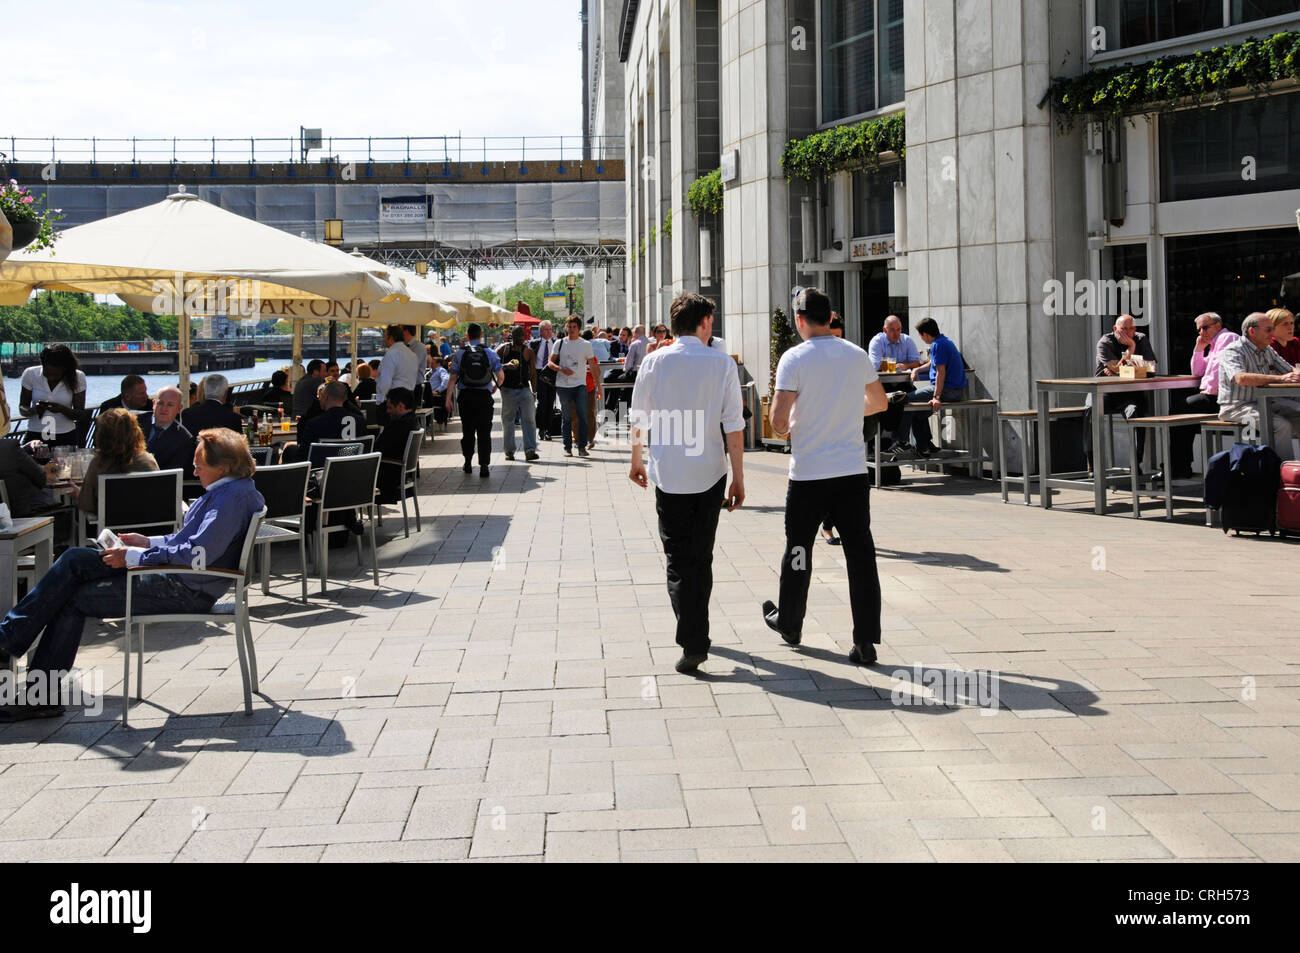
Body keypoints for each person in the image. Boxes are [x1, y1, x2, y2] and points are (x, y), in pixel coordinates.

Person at [0, 428, 265, 721]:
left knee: (72, 589)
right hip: (180, 581)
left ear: (223, 467)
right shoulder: (232, 491)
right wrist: (147, 542)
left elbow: (197, 555)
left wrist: (134, 557)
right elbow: (191, 546)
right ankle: (25, 669)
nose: (194, 469)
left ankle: (19, 659)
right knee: (74, 563)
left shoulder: (230, 499)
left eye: (199, 464)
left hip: (183, 589)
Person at [760, 288, 888, 667]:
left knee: (799, 548)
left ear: (800, 320)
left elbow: (779, 422)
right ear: (831, 317)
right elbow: (879, 403)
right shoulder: (855, 353)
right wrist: (848, 410)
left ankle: (791, 623)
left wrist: (798, 419)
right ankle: (866, 640)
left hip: (809, 474)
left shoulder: (794, 358)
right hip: (850, 472)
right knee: (860, 555)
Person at [629, 293, 746, 674]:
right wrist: (739, 477)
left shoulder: (653, 361)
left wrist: (635, 460)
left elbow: (638, 417)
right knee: (702, 556)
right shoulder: (722, 364)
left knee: (678, 560)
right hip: (711, 471)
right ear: (705, 323)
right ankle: (697, 634)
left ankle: (693, 638)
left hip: (670, 472)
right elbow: (734, 423)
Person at [1218, 311, 1300, 459]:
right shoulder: (1234, 350)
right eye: (1269, 329)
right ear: (1252, 331)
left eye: (1273, 329)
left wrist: (1294, 374)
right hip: (1237, 407)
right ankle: (1282, 475)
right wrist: (1280, 379)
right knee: (1282, 425)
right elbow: (1241, 378)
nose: (1273, 333)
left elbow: (1290, 371)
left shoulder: (1267, 349)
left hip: (1266, 402)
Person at [1082, 313, 1157, 475]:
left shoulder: (1141, 338)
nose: (1128, 333)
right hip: (1105, 391)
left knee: (1138, 413)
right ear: (1115, 329)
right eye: (1124, 329)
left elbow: (1151, 368)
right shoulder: (1105, 342)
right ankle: (1092, 459)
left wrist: (1122, 367)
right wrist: (1131, 351)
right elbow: (1113, 368)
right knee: (1090, 409)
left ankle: (1135, 462)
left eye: (1131, 329)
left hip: (1130, 392)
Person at [1169, 312, 1239, 478]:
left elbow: (1217, 372)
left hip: (1222, 398)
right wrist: (1199, 348)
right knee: (1182, 414)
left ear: (1218, 325)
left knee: (1179, 410)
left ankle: (1177, 467)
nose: (1201, 332)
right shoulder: (1214, 344)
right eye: (1199, 329)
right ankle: (1180, 467)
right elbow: (1198, 371)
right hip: (1214, 396)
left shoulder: (1227, 338)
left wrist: (1207, 391)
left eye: (1205, 327)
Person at [889, 317, 968, 459]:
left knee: (905, 399)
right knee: (918, 413)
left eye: (921, 335)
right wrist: (917, 370)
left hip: (947, 390)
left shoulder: (937, 345)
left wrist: (936, 397)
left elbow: (940, 372)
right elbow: (933, 363)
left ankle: (901, 441)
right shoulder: (945, 341)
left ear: (925, 334)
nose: (921, 338)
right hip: (954, 390)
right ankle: (924, 446)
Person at [72, 409, 160, 517]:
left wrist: (80, 495)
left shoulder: (99, 463)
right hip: (148, 527)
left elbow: (87, 505)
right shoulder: (148, 461)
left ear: (101, 435)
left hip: (112, 529)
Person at [446, 323, 504, 477]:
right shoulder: (489, 352)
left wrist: (448, 398)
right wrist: (495, 387)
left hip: (466, 397)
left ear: (467, 336)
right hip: (484, 398)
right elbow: (501, 375)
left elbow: (452, 379)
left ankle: (467, 462)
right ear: (480, 335)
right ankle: (484, 465)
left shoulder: (460, 353)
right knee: (485, 432)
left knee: (468, 431)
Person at [548, 315, 601, 458]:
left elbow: (593, 366)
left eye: (574, 327)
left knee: (583, 415)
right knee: (567, 417)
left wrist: (598, 386)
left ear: (579, 329)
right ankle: (567, 447)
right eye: (569, 327)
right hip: (563, 385)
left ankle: (582, 446)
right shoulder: (559, 343)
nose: (571, 330)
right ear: (566, 327)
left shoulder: (585, 344)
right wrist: (561, 369)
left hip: (580, 385)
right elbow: (550, 363)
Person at [19, 344, 87, 446]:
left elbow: (80, 414)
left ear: (64, 368)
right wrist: (33, 410)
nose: (51, 378)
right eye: (47, 374)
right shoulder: (30, 374)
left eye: (56, 375)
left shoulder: (78, 377)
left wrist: (62, 409)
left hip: (65, 436)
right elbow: (22, 407)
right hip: (35, 435)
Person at [286, 381, 368, 462]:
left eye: (320, 396)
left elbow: (302, 455)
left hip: (322, 470)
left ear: (326, 397)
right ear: (345, 398)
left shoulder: (315, 424)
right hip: (351, 468)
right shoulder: (360, 421)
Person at [496, 325, 540, 462]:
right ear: (512, 336)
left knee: (529, 420)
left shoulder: (528, 351)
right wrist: (506, 366)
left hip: (524, 389)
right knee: (508, 420)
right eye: (518, 335)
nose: (521, 338)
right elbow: (493, 366)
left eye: (522, 335)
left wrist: (535, 391)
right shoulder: (503, 350)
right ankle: (509, 451)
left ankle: (530, 450)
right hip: (507, 390)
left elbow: (533, 373)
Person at [376, 386, 419, 504]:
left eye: (390, 407)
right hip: (399, 475)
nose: (387, 411)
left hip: (388, 478)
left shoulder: (399, 426)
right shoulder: (413, 422)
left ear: (400, 406)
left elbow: (379, 448)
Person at [0, 438, 60, 517]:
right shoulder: (10, 446)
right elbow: (41, 479)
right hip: (27, 511)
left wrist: (24, 449)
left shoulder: (7, 446)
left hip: (4, 514)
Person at [145, 385, 196, 473]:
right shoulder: (135, 423)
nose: (164, 409)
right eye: (160, 403)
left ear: (179, 409)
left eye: (170, 405)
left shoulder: (184, 439)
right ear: (153, 404)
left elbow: (173, 473)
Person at [377, 324, 421, 401]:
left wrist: (381, 400)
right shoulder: (413, 355)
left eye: (385, 336)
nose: (384, 339)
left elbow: (385, 381)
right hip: (409, 398)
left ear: (391, 338)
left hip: (394, 400)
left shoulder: (391, 354)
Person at [531, 320, 558, 440]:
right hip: (540, 374)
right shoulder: (534, 343)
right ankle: (541, 428)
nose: (549, 332)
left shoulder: (556, 343)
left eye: (550, 329)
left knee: (551, 402)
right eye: (546, 329)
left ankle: (548, 429)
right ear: (541, 331)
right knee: (542, 402)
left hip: (552, 375)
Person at [428, 357, 451, 427]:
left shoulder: (441, 370)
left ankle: (425, 424)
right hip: (432, 395)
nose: (431, 364)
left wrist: (438, 391)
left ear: (438, 363)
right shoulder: (433, 371)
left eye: (432, 363)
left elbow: (446, 381)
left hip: (436, 396)